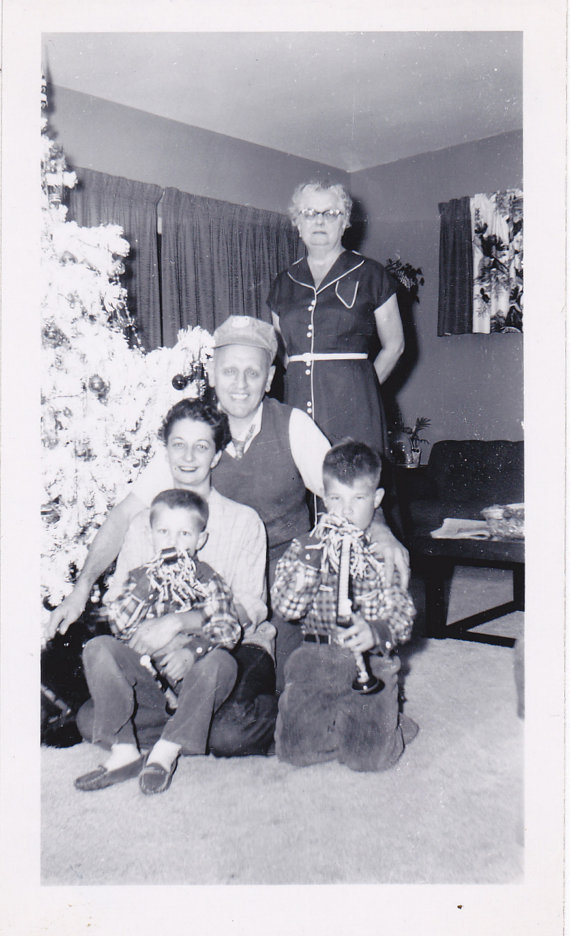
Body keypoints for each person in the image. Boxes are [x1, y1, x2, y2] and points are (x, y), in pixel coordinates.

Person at [48, 316, 409, 693]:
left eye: (252, 373)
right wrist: (81, 586)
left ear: (269, 379)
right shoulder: (195, 434)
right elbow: (124, 514)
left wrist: (381, 529)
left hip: (286, 575)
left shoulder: (292, 425)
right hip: (211, 579)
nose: (240, 384)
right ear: (212, 373)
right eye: (230, 371)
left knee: (300, 685)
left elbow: (344, 488)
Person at [73, 399, 277, 758]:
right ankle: (185, 724)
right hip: (157, 654)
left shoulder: (244, 520)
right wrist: (155, 638)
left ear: (216, 455)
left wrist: (179, 624)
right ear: (165, 450)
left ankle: (216, 719)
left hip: (232, 648)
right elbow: (123, 603)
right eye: (178, 445)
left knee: (230, 736)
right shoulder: (144, 525)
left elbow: (249, 608)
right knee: (91, 721)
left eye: (201, 446)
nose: (188, 457)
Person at [75, 488, 242, 794]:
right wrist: (147, 586)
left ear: (199, 540)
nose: (173, 542)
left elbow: (230, 629)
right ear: (151, 535)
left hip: (193, 682)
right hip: (149, 683)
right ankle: (124, 751)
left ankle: (167, 749)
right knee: (98, 647)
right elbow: (121, 626)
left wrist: (193, 650)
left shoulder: (208, 579)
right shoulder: (140, 577)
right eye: (163, 532)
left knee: (222, 662)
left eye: (184, 534)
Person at [271, 440, 418, 772]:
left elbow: (403, 615)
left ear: (377, 500)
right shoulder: (305, 547)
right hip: (314, 657)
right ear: (324, 501)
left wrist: (376, 631)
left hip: (369, 661)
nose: (346, 511)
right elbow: (286, 608)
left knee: (368, 760)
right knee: (294, 752)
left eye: (359, 499)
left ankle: (389, 723)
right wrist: (310, 564)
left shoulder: (382, 554)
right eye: (336, 499)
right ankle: (354, 720)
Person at [268, 181, 405, 454]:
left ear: (345, 223)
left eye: (331, 213)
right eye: (309, 213)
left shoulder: (371, 275)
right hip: (298, 404)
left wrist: (361, 391)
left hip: (355, 410)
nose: (319, 221)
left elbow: (395, 346)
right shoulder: (283, 283)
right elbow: (284, 352)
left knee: (352, 486)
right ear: (297, 222)